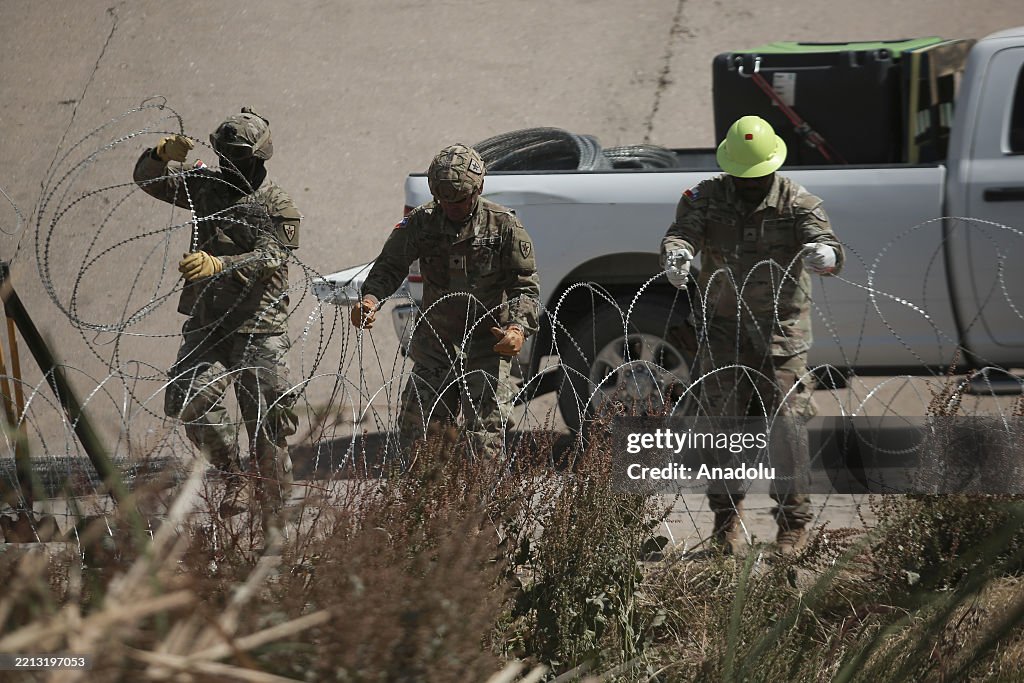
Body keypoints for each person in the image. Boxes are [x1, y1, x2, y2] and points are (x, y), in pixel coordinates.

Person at [660, 115, 844, 556]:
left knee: (786, 430)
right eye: (742, 177)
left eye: (757, 177)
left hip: (780, 333)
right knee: (723, 430)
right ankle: (726, 525)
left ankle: (792, 526)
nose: (749, 184)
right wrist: (677, 256)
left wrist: (825, 255)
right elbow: (681, 233)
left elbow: (827, 245)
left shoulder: (798, 202)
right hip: (723, 332)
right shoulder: (704, 197)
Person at [134, 108, 300, 532]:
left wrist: (218, 264)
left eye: (239, 159)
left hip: (257, 324)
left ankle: (275, 531)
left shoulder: (275, 203)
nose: (230, 166)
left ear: (259, 158)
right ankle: (232, 475)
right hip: (210, 321)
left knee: (267, 429)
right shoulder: (206, 185)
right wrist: (159, 154)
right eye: (225, 156)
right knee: (190, 397)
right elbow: (149, 180)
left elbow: (274, 255)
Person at [351, 144, 540, 462]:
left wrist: (517, 329)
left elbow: (526, 288)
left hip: (486, 347)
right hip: (435, 347)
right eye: (443, 200)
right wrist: (370, 300)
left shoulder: (504, 226)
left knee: (484, 446)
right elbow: (388, 267)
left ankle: (481, 511)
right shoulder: (423, 223)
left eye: (460, 200)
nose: (451, 207)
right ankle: (426, 509)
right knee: (419, 443)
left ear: (478, 189)